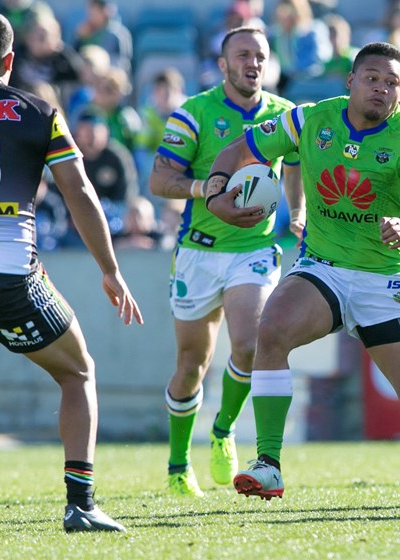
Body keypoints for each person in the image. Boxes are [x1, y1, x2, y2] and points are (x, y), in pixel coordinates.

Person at [204, 41, 400, 506]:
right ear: (351, 81)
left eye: (392, 83)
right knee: (271, 328)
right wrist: (216, 193)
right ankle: (269, 463)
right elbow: (240, 148)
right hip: (323, 268)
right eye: (373, 78)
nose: (381, 88)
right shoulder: (310, 119)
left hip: (383, 281)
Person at [0, 10, 142, 531]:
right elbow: (79, 192)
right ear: (10, 61)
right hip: (10, 278)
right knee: (77, 371)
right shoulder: (39, 111)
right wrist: (110, 269)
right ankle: (80, 504)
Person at [148, 27, 302, 498]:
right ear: (222, 65)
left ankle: (223, 429)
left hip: (253, 250)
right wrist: (207, 189)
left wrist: (295, 212)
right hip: (197, 251)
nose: (252, 62)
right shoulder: (194, 113)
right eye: (242, 55)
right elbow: (159, 179)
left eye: (260, 55)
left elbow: (293, 163)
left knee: (251, 345)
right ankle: (177, 466)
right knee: (192, 362)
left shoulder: (284, 115)